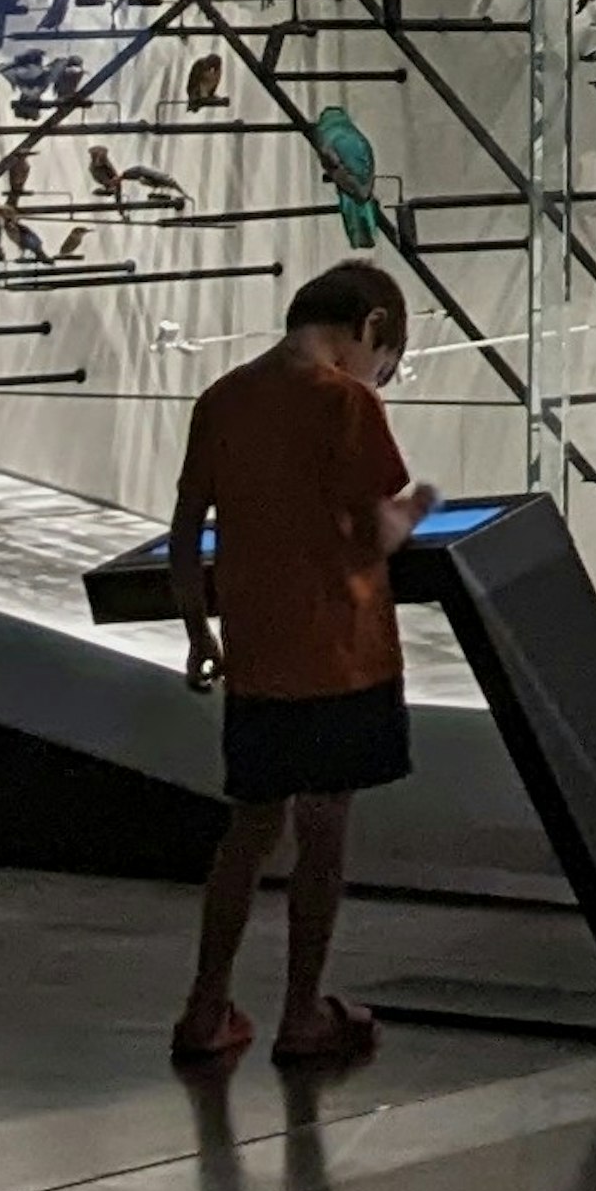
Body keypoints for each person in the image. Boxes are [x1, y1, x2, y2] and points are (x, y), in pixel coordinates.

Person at [167, 259, 436, 1069]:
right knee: (323, 835)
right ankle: (301, 1013)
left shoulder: (223, 399)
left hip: (257, 655)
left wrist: (197, 630)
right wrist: (424, 502)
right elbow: (375, 531)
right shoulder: (346, 401)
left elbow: (187, 532)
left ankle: (205, 1006)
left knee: (249, 827)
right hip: (342, 656)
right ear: (372, 328)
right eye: (381, 355)